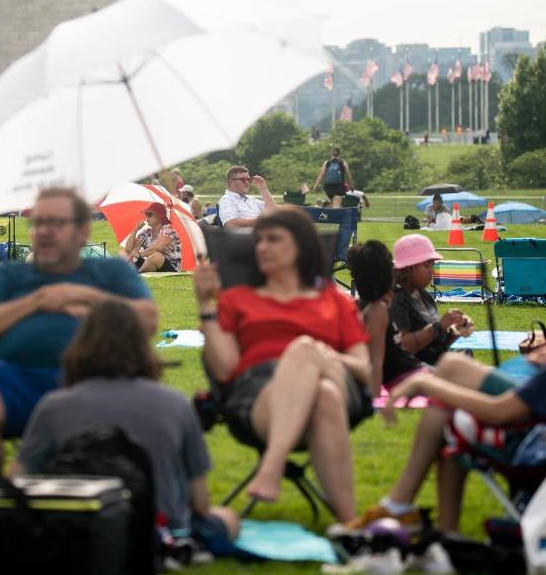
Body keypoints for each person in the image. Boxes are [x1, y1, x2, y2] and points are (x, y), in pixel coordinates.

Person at [0, 187, 157, 488]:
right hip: (19, 379)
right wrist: (37, 301)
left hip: (101, 379)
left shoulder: (111, 271)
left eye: (56, 223)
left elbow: (148, 320)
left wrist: (83, 295)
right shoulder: (11, 275)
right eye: (39, 223)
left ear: (82, 230)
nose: (44, 231)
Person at [12, 300, 239, 557]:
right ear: (142, 346)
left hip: (75, 529)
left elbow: (17, 479)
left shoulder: (53, 406)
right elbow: (200, 502)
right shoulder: (174, 403)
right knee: (227, 518)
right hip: (157, 533)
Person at [194, 207, 371, 521]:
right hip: (260, 393)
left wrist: (318, 356)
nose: (262, 247)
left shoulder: (334, 300)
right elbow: (224, 370)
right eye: (258, 241)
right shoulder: (237, 299)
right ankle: (351, 525)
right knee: (324, 394)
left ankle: (271, 467)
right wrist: (206, 306)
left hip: (337, 379)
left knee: (305, 353)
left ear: (301, 245)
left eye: (274, 239)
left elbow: (362, 368)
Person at [332, 351, 546, 535]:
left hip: (535, 449)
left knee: (449, 406)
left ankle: (404, 509)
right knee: (451, 368)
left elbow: (499, 412)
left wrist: (425, 384)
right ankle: (432, 526)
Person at [347, 241, 429, 396]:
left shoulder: (360, 306)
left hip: (409, 372)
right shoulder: (378, 310)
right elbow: (376, 361)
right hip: (408, 377)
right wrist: (375, 399)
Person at [390, 235, 471, 365]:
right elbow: (401, 348)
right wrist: (439, 327)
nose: (432, 271)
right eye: (427, 265)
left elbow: (434, 345)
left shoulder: (424, 296)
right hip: (414, 372)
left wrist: (456, 330)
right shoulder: (397, 300)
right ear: (408, 268)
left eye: (432, 264)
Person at [123, 202, 182, 273]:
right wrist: (135, 229)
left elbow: (157, 247)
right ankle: (131, 273)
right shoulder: (147, 232)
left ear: (160, 217)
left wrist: (139, 254)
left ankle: (136, 275)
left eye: (149, 215)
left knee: (156, 256)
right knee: (123, 254)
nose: (146, 218)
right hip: (150, 262)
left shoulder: (169, 230)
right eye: (146, 215)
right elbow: (128, 249)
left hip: (170, 265)